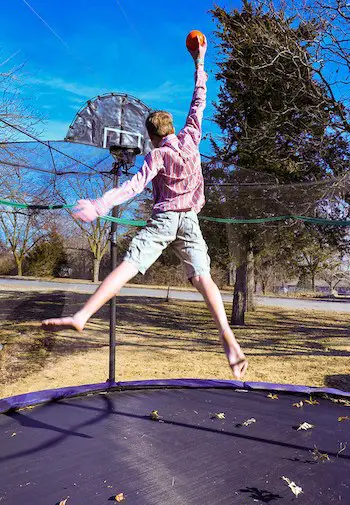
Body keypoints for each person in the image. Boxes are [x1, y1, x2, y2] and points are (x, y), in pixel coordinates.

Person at [42, 34, 248, 379]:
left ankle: (82, 316)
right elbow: (199, 100)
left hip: (167, 218)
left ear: (151, 136)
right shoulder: (191, 138)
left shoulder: (157, 154)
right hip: (190, 221)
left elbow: (133, 186)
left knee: (130, 264)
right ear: (171, 128)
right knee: (203, 277)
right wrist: (199, 61)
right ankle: (227, 335)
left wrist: (98, 204)